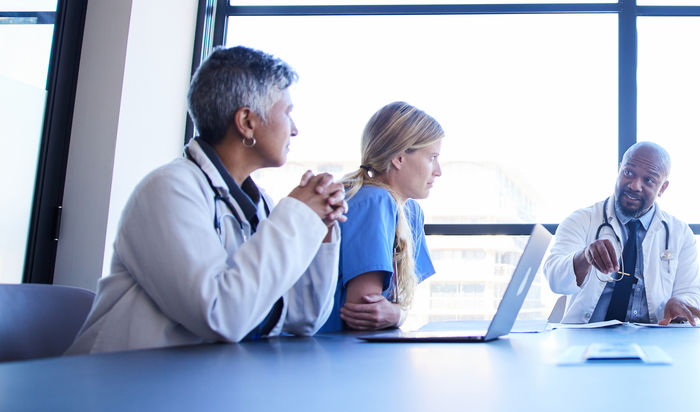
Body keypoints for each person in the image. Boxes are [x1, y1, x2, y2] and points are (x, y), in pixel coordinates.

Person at [67, 46, 345, 355]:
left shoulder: (259, 205)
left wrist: (321, 228)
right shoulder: (168, 189)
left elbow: (303, 316)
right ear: (247, 121)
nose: (295, 129)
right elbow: (221, 315)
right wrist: (297, 214)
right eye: (288, 113)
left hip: (196, 377)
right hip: (123, 379)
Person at [544, 142, 700, 325]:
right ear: (619, 170)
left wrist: (682, 303)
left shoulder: (681, 233)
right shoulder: (581, 220)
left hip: (654, 335)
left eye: (649, 180)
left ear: (662, 188)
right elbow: (555, 279)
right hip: (587, 334)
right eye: (629, 172)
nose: (635, 185)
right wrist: (584, 257)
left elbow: (690, 291)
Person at [319, 102, 443, 332]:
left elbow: (396, 305)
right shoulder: (374, 201)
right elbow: (365, 314)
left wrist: (398, 314)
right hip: (332, 346)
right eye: (432, 158)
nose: (438, 171)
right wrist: (398, 315)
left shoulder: (410, 211)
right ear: (399, 158)